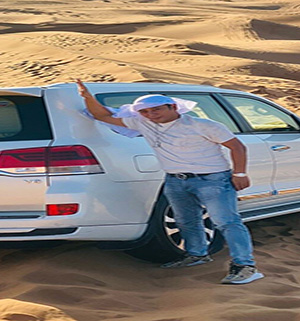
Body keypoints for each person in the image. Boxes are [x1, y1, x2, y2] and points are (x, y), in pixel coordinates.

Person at [76, 80, 263, 285]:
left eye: (156, 110)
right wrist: (86, 96)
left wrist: (240, 174)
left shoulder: (203, 125)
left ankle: (245, 266)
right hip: (175, 180)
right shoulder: (141, 123)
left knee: (227, 222)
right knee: (186, 221)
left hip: (213, 180)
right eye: (145, 111)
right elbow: (102, 115)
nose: (151, 114)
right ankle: (196, 255)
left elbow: (237, 147)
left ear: (173, 107)